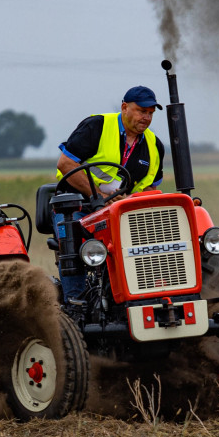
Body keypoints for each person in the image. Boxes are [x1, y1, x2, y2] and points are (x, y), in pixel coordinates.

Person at [53, 86, 167, 302]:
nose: (147, 118)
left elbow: (151, 188)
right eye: (142, 111)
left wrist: (129, 201)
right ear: (124, 107)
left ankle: (148, 296)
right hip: (78, 207)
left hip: (121, 212)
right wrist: (98, 197)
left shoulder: (155, 145)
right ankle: (76, 307)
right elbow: (66, 163)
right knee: (73, 242)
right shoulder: (96, 126)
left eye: (151, 113)